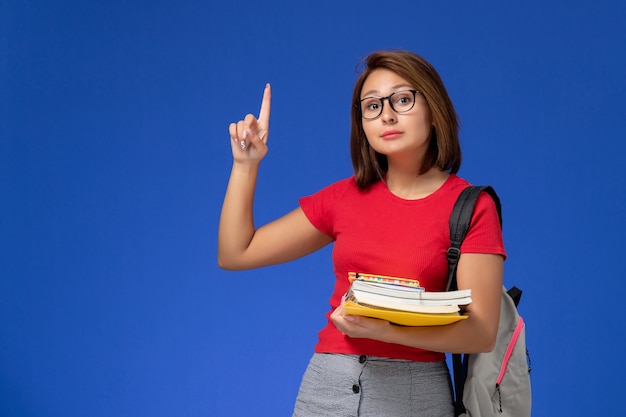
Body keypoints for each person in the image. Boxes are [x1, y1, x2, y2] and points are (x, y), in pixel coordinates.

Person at [218, 50, 506, 417]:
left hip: (414, 395)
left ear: (434, 110)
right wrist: (245, 166)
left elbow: (481, 334)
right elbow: (235, 253)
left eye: (402, 100)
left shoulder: (471, 207)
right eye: (371, 106)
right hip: (326, 388)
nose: (386, 115)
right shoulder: (342, 197)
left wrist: (385, 331)